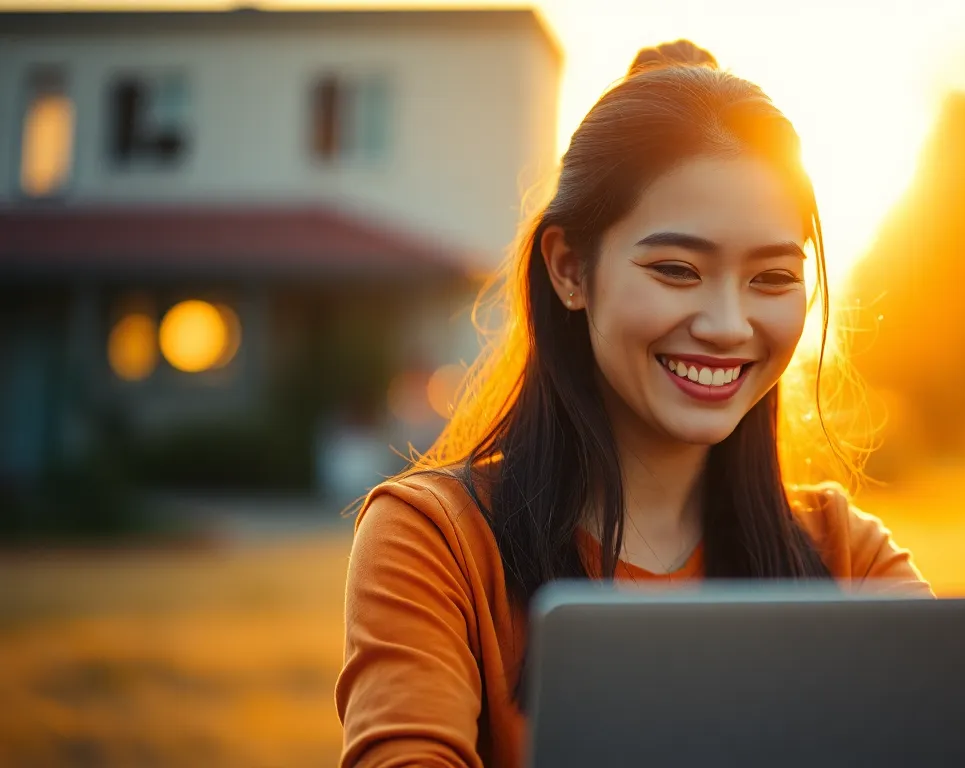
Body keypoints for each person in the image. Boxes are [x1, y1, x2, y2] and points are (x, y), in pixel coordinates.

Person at [335, 40, 932, 768]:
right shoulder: (438, 544)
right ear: (569, 269)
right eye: (677, 269)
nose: (726, 324)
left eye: (772, 277)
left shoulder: (847, 555)